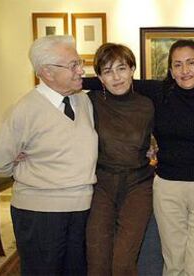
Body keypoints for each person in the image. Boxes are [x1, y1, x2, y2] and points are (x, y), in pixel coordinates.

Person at [83, 39, 194, 276]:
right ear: (170, 70)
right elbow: (115, 79)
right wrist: (69, 80)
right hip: (167, 189)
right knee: (173, 261)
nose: (184, 70)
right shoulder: (160, 92)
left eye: (191, 63)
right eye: (177, 64)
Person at [0, 35, 98, 275]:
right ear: (46, 72)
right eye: (73, 65)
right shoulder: (24, 110)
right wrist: (18, 168)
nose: (81, 70)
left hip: (80, 208)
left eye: (79, 62)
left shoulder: (83, 101)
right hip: (40, 212)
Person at [85, 43, 154, 275]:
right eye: (107, 71)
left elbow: (167, 136)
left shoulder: (147, 105)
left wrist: (156, 148)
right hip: (101, 183)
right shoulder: (90, 102)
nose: (116, 77)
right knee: (97, 258)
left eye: (121, 68)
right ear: (99, 78)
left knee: (123, 261)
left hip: (138, 184)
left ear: (132, 69)